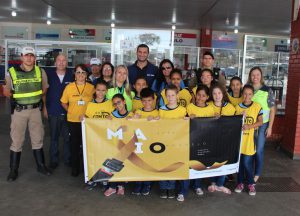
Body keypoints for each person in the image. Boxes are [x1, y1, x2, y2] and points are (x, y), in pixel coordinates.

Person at [3, 46, 51, 181]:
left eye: (31, 55)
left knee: (38, 139)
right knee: (17, 141)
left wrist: (44, 107)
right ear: (21, 57)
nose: (29, 58)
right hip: (19, 112)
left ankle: (41, 166)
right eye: (26, 55)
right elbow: (6, 91)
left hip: (35, 111)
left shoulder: (40, 71)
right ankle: (13, 170)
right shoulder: (11, 72)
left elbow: (44, 90)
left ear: (34, 57)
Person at [60, 64, 94, 177]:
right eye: (78, 72)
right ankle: (75, 168)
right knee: (74, 145)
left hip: (87, 121)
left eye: (83, 72)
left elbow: (95, 103)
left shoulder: (91, 87)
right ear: (74, 74)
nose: (80, 75)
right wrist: (70, 110)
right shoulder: (69, 87)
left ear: (86, 75)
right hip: (73, 120)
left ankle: (87, 168)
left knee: (87, 145)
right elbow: (63, 102)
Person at [44, 54, 74, 169]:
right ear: (55, 62)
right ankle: (54, 160)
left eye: (64, 60)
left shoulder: (71, 75)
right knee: (54, 137)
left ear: (67, 62)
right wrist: (45, 109)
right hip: (53, 111)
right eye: (59, 60)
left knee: (67, 137)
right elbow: (45, 93)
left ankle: (67, 159)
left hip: (68, 112)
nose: (61, 62)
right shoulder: (49, 75)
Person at [247, 66, 276, 183]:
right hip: (249, 124)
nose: (255, 77)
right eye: (253, 75)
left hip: (262, 124)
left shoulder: (267, 90)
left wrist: (270, 127)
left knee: (258, 150)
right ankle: (248, 172)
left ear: (261, 76)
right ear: (250, 76)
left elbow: (273, 110)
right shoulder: (247, 89)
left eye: (257, 75)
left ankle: (257, 173)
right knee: (249, 150)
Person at [158, 84, 187, 201]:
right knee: (163, 165)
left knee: (174, 166)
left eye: (172, 95)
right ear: (165, 96)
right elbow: (157, 126)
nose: (170, 98)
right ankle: (163, 187)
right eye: (168, 95)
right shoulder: (161, 110)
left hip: (177, 144)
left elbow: (186, 126)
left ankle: (171, 187)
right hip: (164, 143)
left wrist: (187, 120)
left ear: (177, 95)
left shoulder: (183, 110)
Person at [235, 84, 263, 196]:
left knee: (247, 163)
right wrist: (240, 118)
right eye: (245, 93)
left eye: (250, 94)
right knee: (240, 164)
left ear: (253, 95)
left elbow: (260, 122)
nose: (247, 96)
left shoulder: (257, 106)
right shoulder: (237, 107)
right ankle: (240, 183)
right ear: (242, 94)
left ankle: (251, 184)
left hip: (250, 143)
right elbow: (233, 124)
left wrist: (249, 126)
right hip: (239, 143)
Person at [207, 84, 236, 194]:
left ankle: (220, 184)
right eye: (214, 93)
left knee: (223, 162)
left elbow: (235, 122)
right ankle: (213, 183)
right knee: (212, 162)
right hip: (211, 139)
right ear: (211, 95)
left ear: (223, 94)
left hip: (225, 140)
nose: (217, 95)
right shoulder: (208, 106)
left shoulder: (230, 107)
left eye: (219, 93)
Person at [104, 94, 133, 197]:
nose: (117, 105)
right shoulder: (112, 115)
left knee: (122, 165)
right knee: (112, 165)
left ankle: (121, 185)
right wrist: (106, 121)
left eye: (119, 102)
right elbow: (107, 127)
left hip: (126, 145)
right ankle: (112, 186)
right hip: (114, 144)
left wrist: (133, 120)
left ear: (124, 101)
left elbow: (134, 129)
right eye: (115, 104)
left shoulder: (131, 114)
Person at [132, 88, 159, 195]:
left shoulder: (157, 112)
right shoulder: (138, 112)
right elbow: (129, 124)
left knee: (148, 164)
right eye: (144, 101)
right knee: (138, 164)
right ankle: (138, 184)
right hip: (139, 144)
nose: (147, 103)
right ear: (141, 101)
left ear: (153, 100)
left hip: (151, 143)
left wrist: (156, 119)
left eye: (149, 100)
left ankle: (147, 184)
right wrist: (134, 118)